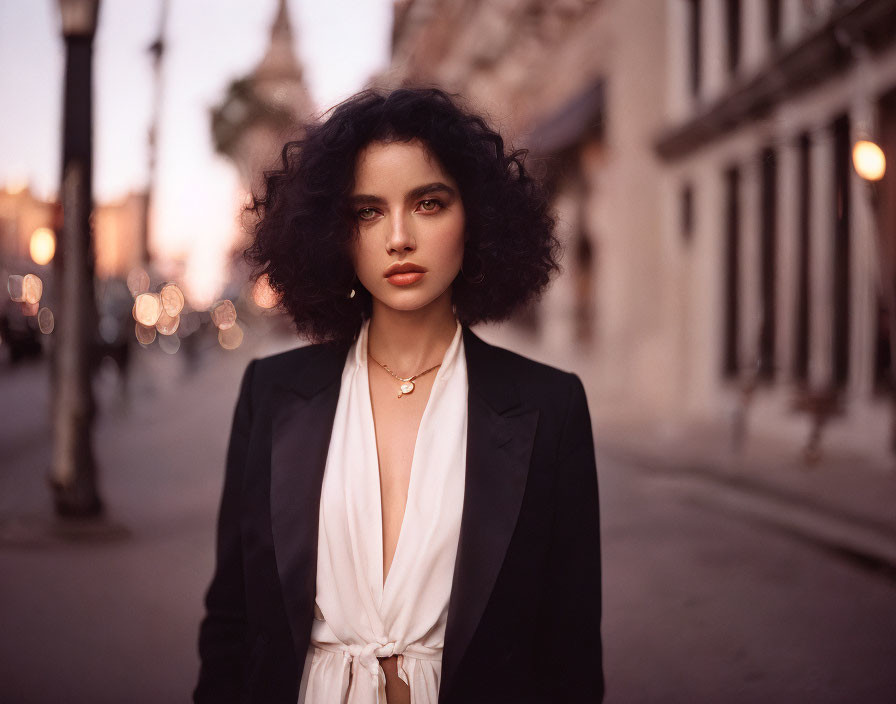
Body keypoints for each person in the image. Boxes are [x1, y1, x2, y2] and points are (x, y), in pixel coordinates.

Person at [193, 86, 604, 704]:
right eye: (367, 211)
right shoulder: (272, 395)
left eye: (429, 203)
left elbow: (568, 658)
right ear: (334, 232)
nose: (399, 237)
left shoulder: (551, 408)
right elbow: (231, 625)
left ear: (477, 217)